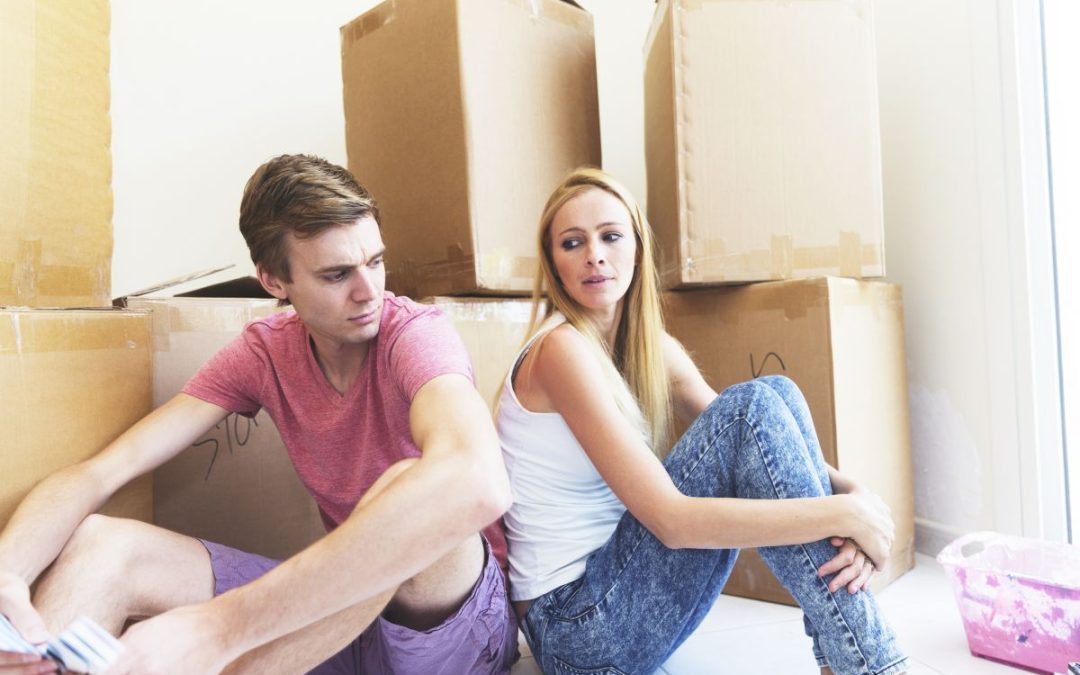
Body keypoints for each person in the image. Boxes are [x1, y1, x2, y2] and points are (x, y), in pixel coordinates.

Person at [0, 154, 518, 675]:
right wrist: (8, 575)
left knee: (411, 485)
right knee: (101, 545)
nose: (369, 291)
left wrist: (217, 629)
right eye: (337, 274)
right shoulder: (265, 352)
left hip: (452, 627)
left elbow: (478, 483)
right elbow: (101, 473)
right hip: (336, 622)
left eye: (376, 262)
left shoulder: (415, 334)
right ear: (273, 281)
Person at [496, 166, 909, 675]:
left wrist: (856, 495)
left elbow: (763, 437)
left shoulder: (645, 348)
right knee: (751, 409)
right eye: (572, 243)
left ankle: (846, 655)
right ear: (553, 263)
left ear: (637, 248)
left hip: (616, 597)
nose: (594, 255)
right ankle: (870, 663)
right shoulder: (560, 351)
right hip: (576, 627)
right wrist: (842, 517)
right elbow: (671, 522)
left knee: (774, 393)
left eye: (610, 236)